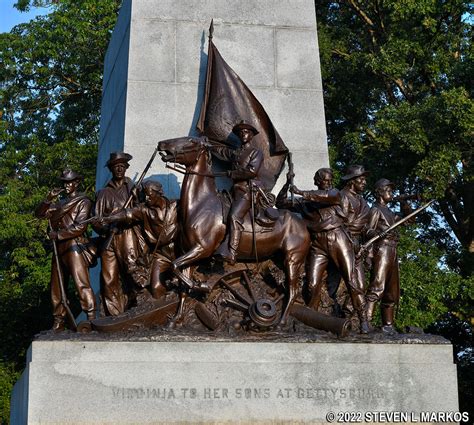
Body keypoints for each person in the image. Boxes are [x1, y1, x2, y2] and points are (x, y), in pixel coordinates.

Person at [277, 167, 370, 333]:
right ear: (317, 182)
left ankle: (364, 320)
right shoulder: (306, 203)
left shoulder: (336, 195)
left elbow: (327, 196)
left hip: (338, 238)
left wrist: (300, 191)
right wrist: (287, 184)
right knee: (312, 285)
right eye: (324, 180)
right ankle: (313, 319)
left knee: (351, 280)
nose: (327, 183)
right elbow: (281, 203)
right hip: (317, 244)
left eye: (329, 180)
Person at [35, 170, 96, 331]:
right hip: (58, 247)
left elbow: (80, 226)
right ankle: (58, 320)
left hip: (74, 245)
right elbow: (40, 214)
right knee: (56, 286)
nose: (67, 185)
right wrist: (48, 199)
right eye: (64, 183)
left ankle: (91, 316)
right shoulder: (59, 203)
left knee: (81, 282)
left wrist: (58, 234)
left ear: (76, 183)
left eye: (70, 182)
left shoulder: (83, 201)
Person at [96, 180, 177, 299]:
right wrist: (109, 219)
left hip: (178, 251)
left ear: (159, 193)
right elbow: (127, 213)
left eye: (150, 194)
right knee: (155, 288)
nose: (147, 198)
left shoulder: (175, 205)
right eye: (145, 194)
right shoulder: (144, 209)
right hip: (161, 255)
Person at [92, 152, 142, 316]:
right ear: (111, 169)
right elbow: (96, 220)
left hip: (127, 235)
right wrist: (104, 227)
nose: (119, 169)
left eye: (122, 166)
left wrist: (128, 214)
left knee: (132, 272)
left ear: (126, 168)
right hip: (109, 238)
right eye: (116, 167)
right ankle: (113, 315)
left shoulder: (134, 190)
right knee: (109, 277)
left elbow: (142, 212)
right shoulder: (103, 193)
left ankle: (138, 308)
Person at [211, 121, 264, 264]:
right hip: (234, 190)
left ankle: (231, 252)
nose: (243, 134)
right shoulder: (236, 152)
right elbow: (221, 152)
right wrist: (207, 144)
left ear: (252, 135)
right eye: (240, 133)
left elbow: (252, 171)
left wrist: (232, 173)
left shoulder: (256, 152)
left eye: (246, 132)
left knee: (234, 216)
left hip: (247, 191)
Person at [365, 178, 411, 333]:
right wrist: (377, 233)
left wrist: (404, 203)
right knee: (377, 285)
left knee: (392, 290)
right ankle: (366, 321)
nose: (392, 193)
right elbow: (367, 231)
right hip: (382, 248)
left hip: (393, 250)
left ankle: (388, 325)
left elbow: (409, 220)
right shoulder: (375, 210)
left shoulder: (391, 213)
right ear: (380, 192)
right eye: (389, 190)